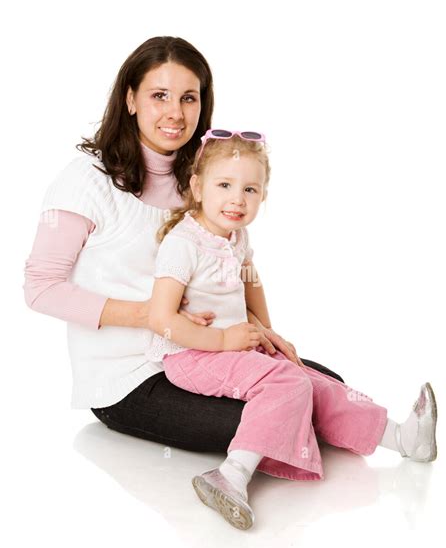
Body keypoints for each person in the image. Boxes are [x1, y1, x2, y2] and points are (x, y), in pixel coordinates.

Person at [22, 36, 345, 455]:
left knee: (326, 391)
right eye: (160, 96)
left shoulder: (202, 180)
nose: (175, 113)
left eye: (189, 98)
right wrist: (158, 317)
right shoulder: (85, 181)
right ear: (131, 100)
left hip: (207, 355)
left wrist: (259, 328)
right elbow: (41, 288)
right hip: (129, 378)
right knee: (279, 416)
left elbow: (238, 264)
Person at [146, 129, 438, 530]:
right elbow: (161, 318)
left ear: (263, 196)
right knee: (288, 385)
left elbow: (249, 280)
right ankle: (231, 475)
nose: (237, 199)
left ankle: (405, 439)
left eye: (250, 189)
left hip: (235, 349)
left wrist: (266, 331)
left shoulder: (237, 236)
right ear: (197, 187)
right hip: (193, 354)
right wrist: (222, 339)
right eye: (225, 185)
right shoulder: (183, 244)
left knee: (313, 382)